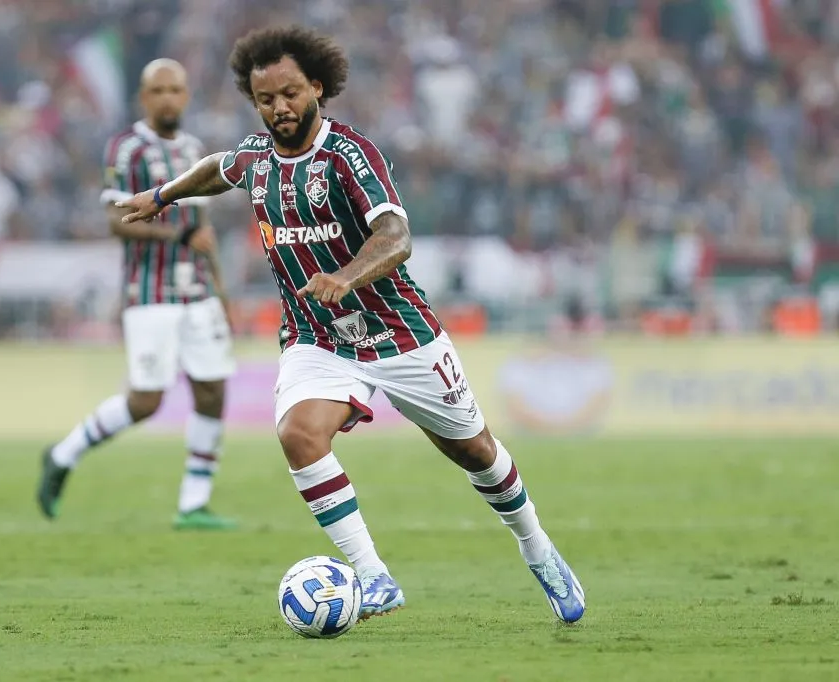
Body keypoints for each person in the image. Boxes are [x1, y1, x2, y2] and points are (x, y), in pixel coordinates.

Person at [116, 27, 585, 622]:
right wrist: (162, 196)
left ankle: (538, 549)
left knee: (476, 452)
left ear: (316, 86)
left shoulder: (350, 155)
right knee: (297, 435)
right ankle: (373, 576)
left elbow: (397, 237)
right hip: (318, 338)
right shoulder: (257, 158)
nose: (279, 108)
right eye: (266, 100)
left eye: (289, 94)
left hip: (398, 331)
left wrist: (348, 276)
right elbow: (219, 168)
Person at [36, 59, 238, 531]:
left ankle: (193, 504)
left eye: (175, 89)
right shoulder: (127, 149)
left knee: (212, 393)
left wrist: (222, 291)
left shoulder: (194, 149)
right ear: (144, 98)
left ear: (186, 95)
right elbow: (114, 220)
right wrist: (178, 239)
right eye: (158, 90)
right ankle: (63, 454)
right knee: (146, 401)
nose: (168, 98)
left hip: (199, 292)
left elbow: (203, 226)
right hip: (150, 293)